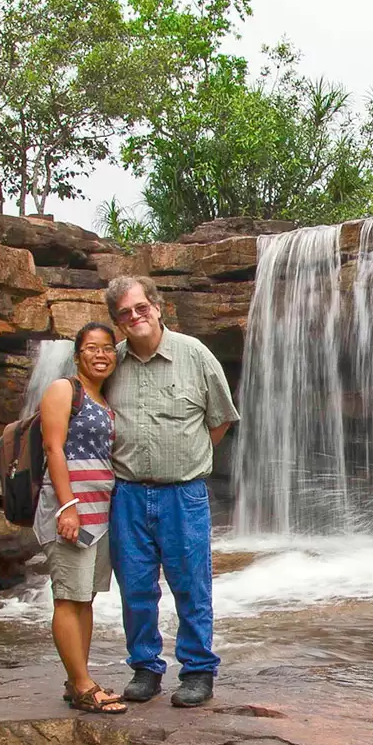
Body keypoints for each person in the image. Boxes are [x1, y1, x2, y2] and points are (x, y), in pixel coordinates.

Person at [103, 275, 240, 708]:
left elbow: (220, 420)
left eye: (141, 308)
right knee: (137, 588)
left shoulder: (194, 354)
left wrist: (185, 458)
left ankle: (198, 671)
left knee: (191, 586)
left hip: (184, 494)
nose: (134, 317)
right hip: (126, 495)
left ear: (157, 307)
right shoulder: (113, 364)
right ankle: (146, 668)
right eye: (124, 313)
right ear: (117, 322)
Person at [35, 321, 125, 713]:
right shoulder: (63, 390)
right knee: (68, 598)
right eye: (92, 347)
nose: (101, 354)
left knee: (84, 598)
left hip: (101, 509)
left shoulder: (104, 402)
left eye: (107, 348)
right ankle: (85, 686)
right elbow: (54, 450)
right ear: (77, 355)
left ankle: (78, 681)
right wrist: (67, 506)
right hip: (71, 508)